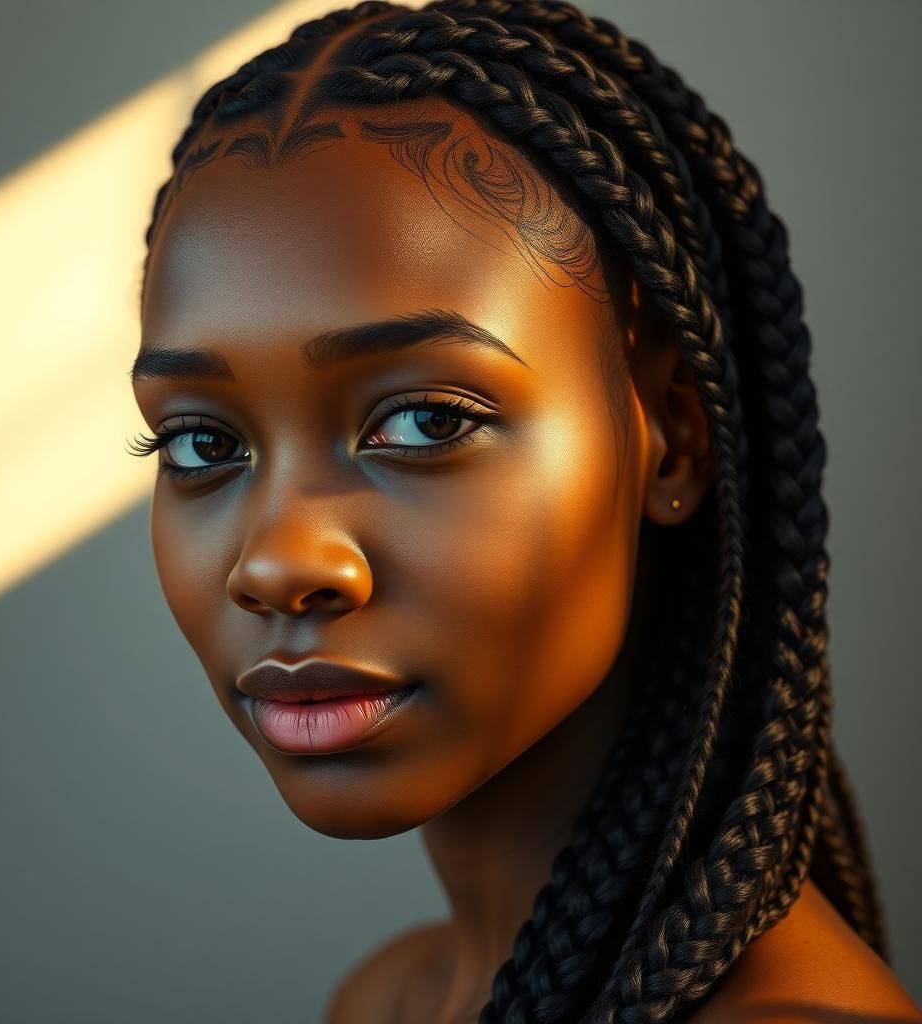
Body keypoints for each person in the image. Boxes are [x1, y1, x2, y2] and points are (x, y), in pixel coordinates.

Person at [126, 1, 922, 1020]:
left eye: (422, 421)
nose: (277, 562)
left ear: (670, 435)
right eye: (203, 442)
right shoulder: (381, 1001)